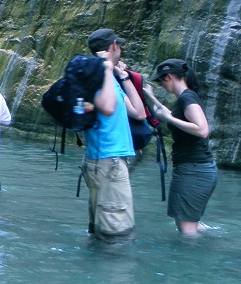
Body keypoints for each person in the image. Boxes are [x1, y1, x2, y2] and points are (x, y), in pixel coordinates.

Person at [81, 29, 146, 238]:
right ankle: (113, 271)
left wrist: (123, 77)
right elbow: (105, 108)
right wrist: (108, 70)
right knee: (117, 234)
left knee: (102, 228)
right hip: (108, 163)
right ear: (114, 46)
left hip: (108, 162)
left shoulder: (111, 80)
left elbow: (139, 113)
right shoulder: (96, 78)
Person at [143, 59, 218, 235]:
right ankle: (214, 242)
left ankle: (198, 258)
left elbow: (202, 130)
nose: (161, 84)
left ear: (168, 77)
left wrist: (168, 119)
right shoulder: (186, 97)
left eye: (160, 81)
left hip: (194, 170)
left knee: (187, 228)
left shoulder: (187, 98)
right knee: (189, 222)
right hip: (197, 169)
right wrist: (151, 97)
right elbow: (172, 116)